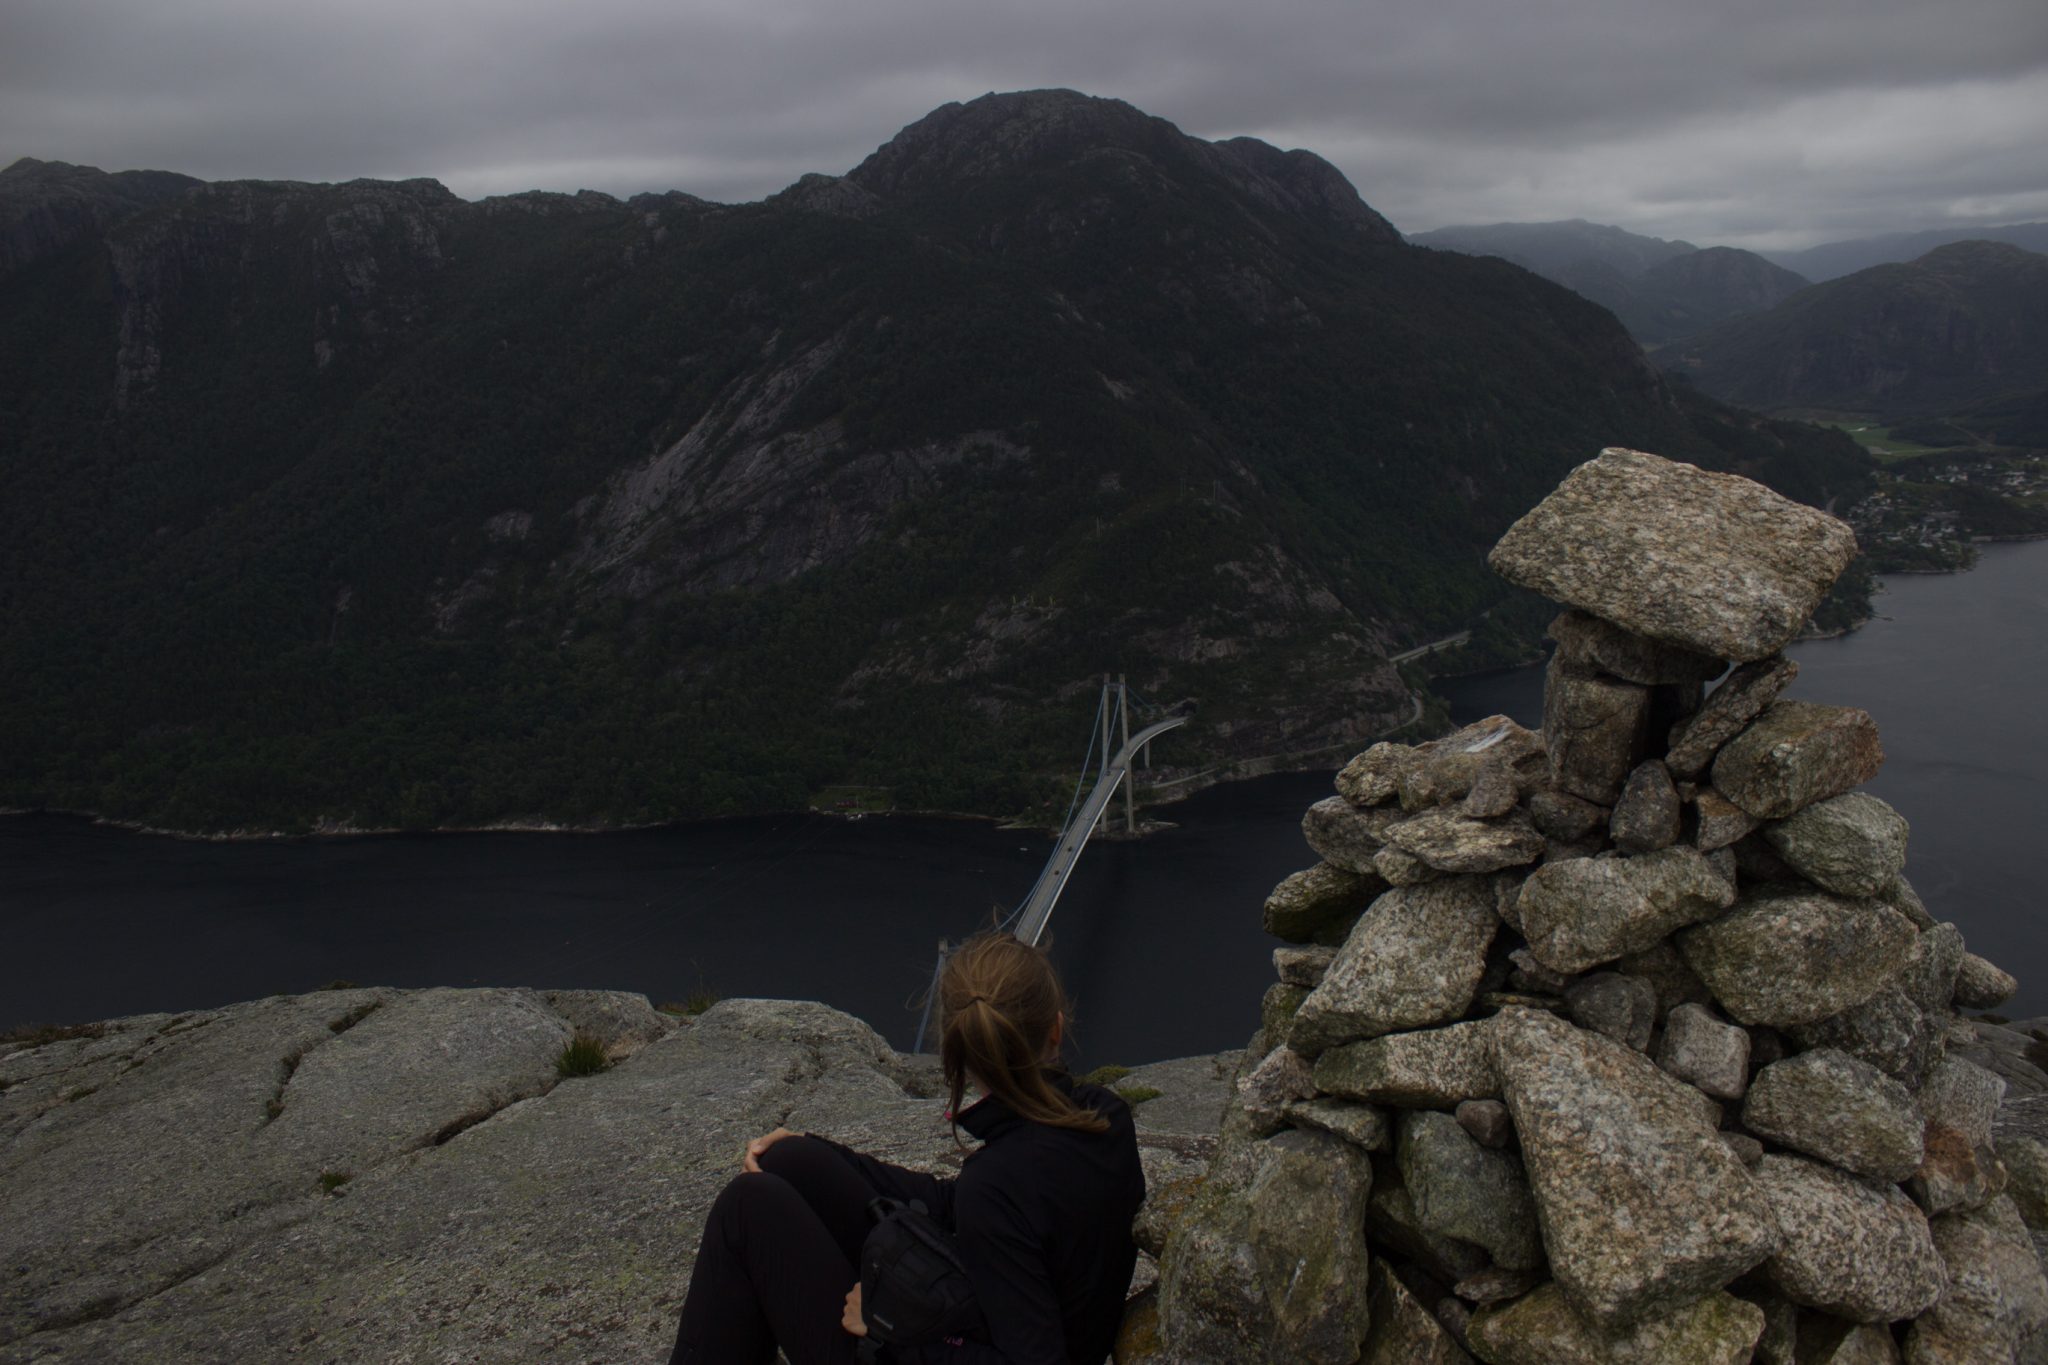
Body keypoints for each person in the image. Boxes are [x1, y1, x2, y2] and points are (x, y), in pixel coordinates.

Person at [667, 930, 1146, 1364]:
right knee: (788, 1162)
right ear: (1056, 1029)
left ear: (961, 1052)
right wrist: (819, 1150)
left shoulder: (997, 1184)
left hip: (933, 1347)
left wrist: (891, 1327)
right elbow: (959, 1206)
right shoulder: (1107, 1118)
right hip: (981, 1311)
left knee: (746, 1208)